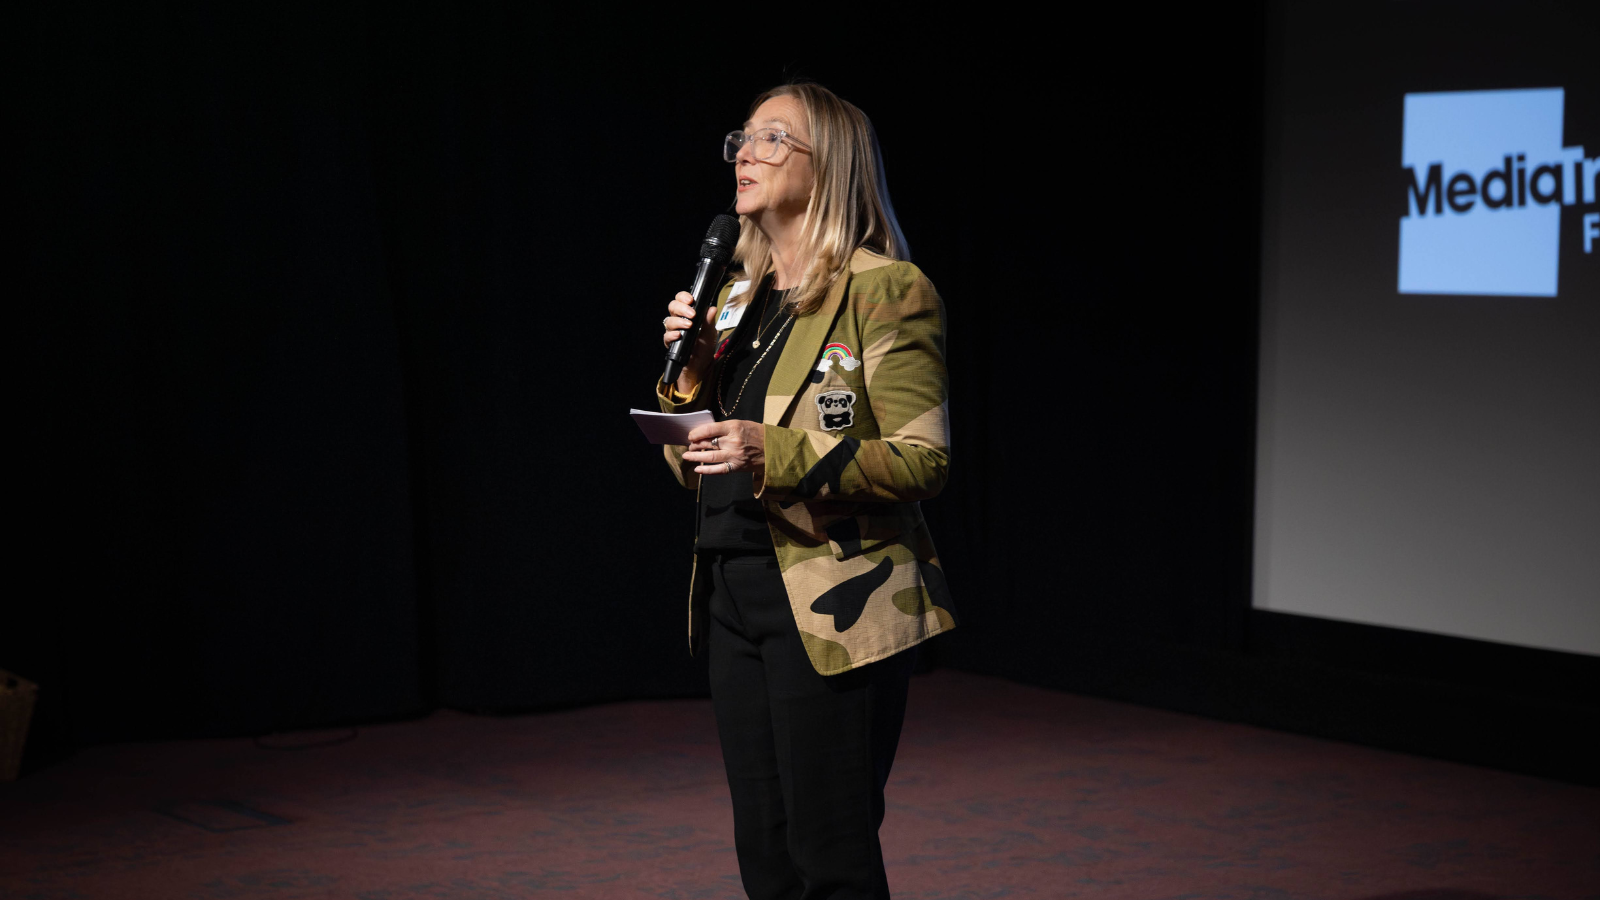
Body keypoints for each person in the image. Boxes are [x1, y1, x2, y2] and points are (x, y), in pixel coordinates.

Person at [656, 82, 956, 899]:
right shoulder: (736, 300)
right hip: (732, 589)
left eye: (772, 140)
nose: (744, 154)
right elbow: (702, 459)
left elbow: (922, 461)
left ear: (830, 165)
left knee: (831, 851)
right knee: (765, 851)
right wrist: (685, 386)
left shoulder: (885, 289)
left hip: (833, 597)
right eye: (741, 139)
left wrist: (770, 446)